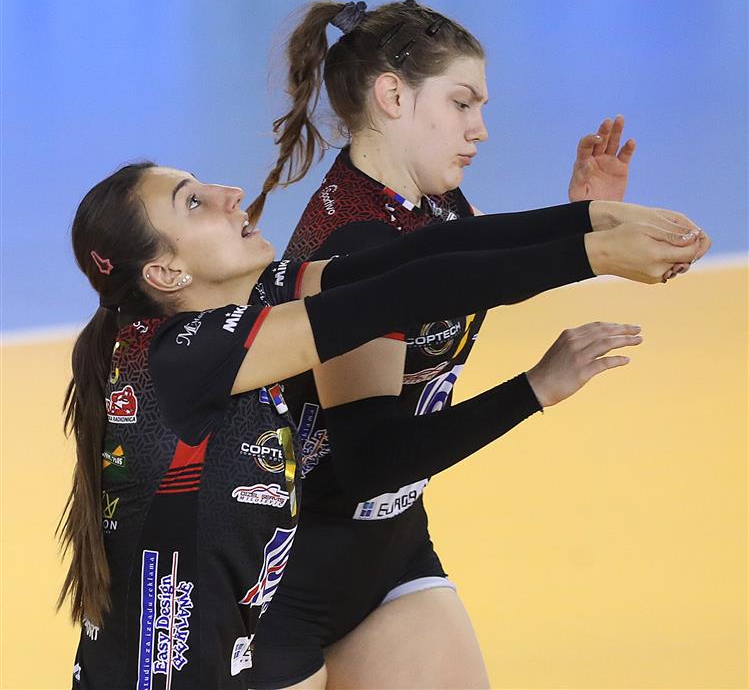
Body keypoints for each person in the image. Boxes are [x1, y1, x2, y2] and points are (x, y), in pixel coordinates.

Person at [58, 161, 704, 689]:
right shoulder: (181, 354)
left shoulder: (244, 308)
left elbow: (422, 255)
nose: (230, 193)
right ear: (165, 273)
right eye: (193, 203)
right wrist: (593, 255)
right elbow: (404, 294)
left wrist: (594, 219)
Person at [246, 0, 706, 690]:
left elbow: (482, 268)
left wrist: (582, 215)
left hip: (391, 553)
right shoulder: (353, 241)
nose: (480, 129)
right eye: (462, 103)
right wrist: (534, 389)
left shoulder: (430, 204)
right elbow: (372, 463)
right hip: (282, 585)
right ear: (392, 95)